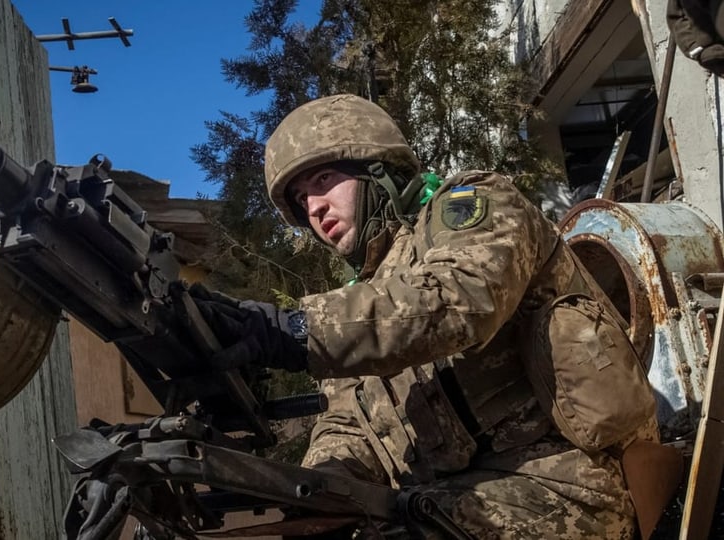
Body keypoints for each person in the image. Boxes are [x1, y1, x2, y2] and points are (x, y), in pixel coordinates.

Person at [191, 94, 674, 539]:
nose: (314, 207)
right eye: (300, 200)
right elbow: (349, 423)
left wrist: (292, 332)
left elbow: (457, 300)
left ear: (376, 169)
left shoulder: (471, 206)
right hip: (450, 500)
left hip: (571, 485)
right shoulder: (361, 300)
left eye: (323, 180)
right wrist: (320, 489)